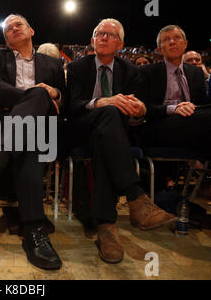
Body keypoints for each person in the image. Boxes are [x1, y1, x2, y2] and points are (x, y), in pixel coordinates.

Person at [67, 19, 176, 264]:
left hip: (110, 135)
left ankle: (106, 228)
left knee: (106, 136)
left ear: (121, 43)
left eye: (110, 35)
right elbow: (71, 106)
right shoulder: (77, 67)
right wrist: (100, 102)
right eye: (99, 34)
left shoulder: (132, 71)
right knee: (109, 112)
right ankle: (135, 196)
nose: (103, 38)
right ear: (92, 40)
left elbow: (138, 111)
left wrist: (139, 112)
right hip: (81, 127)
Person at [0, 14, 64, 270]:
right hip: (1, 122)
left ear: (31, 30)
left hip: (41, 128)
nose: (13, 29)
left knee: (32, 123)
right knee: (29, 133)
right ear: (6, 38)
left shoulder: (52, 63)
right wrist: (35, 96)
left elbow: (63, 101)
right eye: (8, 28)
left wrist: (55, 93)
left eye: (18, 25)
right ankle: (34, 230)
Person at [139, 25, 211, 218]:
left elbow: (205, 107)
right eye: (166, 39)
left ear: (185, 44)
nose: (172, 41)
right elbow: (144, 107)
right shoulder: (148, 72)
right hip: (161, 127)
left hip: (194, 127)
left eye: (177, 38)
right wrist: (174, 108)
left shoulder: (195, 73)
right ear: (159, 48)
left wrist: (195, 111)